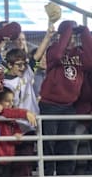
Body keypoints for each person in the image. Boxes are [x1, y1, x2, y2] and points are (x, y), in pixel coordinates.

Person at [39, 21, 92, 175]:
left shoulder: (80, 53)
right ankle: (47, 173)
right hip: (49, 105)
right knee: (48, 143)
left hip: (69, 105)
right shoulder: (53, 49)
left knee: (66, 143)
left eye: (74, 35)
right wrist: (68, 30)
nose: (72, 38)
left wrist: (84, 33)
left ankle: (65, 174)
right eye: (70, 34)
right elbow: (56, 55)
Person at [0, 87, 37, 177]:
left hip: (7, 159)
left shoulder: (11, 120)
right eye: (7, 101)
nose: (11, 104)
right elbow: (6, 112)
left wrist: (18, 137)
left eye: (12, 101)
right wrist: (25, 113)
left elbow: (15, 135)